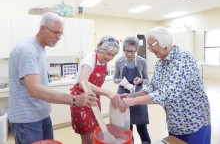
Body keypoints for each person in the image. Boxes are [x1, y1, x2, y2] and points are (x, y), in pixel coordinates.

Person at [8, 12, 97, 144]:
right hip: (27, 120)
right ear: (43, 29)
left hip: (42, 115)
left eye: (61, 33)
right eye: (56, 32)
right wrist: (74, 99)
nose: (59, 37)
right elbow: (35, 90)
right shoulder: (27, 49)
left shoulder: (40, 49)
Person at [119, 26, 211, 144]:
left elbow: (169, 92)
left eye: (152, 45)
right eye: (149, 46)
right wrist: (133, 96)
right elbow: (153, 86)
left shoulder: (183, 58)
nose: (150, 49)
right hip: (175, 122)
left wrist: (132, 102)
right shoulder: (160, 63)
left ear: (164, 42)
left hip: (194, 121)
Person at [70, 36, 120, 144]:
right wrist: (107, 92)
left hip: (93, 99)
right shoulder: (89, 60)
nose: (110, 58)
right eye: (108, 54)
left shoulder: (103, 61)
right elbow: (83, 83)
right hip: (81, 100)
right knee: (88, 137)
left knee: (95, 131)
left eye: (113, 55)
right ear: (100, 50)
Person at [113, 36, 151, 144]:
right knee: (127, 128)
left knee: (142, 127)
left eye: (133, 52)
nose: (130, 54)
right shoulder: (119, 61)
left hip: (138, 95)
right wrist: (123, 82)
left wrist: (140, 80)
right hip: (123, 95)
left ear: (136, 50)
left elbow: (147, 80)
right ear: (124, 49)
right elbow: (115, 79)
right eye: (127, 51)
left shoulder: (142, 61)